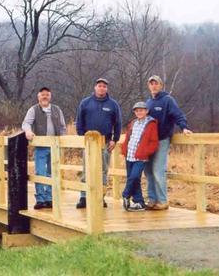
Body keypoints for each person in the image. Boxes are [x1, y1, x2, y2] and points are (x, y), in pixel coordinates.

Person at [144, 75, 193, 210]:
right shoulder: (148, 103)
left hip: (162, 139)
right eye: (151, 84)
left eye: (156, 84)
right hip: (148, 142)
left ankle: (163, 200)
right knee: (148, 171)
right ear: (149, 86)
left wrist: (184, 127)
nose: (154, 86)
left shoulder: (167, 100)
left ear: (161, 85)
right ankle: (152, 199)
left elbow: (178, 114)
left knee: (158, 170)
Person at [75, 78, 122, 209]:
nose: (101, 88)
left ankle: (100, 197)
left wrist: (115, 139)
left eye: (104, 86)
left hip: (105, 142)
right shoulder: (85, 103)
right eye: (99, 86)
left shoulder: (113, 105)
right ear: (95, 88)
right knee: (86, 169)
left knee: (103, 171)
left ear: (106, 89)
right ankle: (84, 197)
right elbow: (79, 122)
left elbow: (118, 123)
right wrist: (81, 137)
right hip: (89, 142)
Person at [22, 87, 67, 210]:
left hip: (55, 146)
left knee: (53, 172)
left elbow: (63, 127)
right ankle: (40, 199)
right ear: (38, 97)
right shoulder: (33, 110)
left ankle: (49, 198)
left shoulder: (57, 110)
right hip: (41, 146)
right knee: (40, 172)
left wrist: (63, 140)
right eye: (42, 95)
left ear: (50, 97)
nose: (45, 97)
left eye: (47, 95)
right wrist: (28, 131)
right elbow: (26, 123)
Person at [121, 102, 159, 211]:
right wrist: (124, 148)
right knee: (133, 179)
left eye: (142, 110)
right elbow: (129, 137)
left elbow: (154, 142)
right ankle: (139, 202)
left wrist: (145, 152)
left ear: (146, 111)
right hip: (129, 155)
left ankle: (125, 194)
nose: (139, 112)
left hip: (140, 157)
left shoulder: (151, 124)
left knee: (134, 177)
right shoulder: (133, 123)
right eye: (137, 111)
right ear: (135, 112)